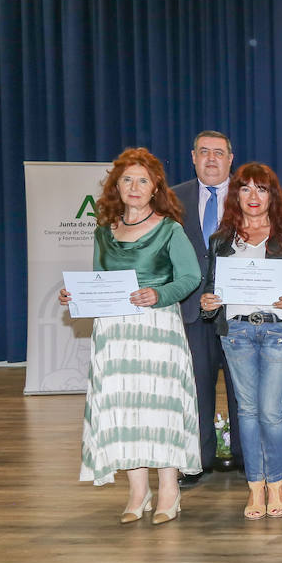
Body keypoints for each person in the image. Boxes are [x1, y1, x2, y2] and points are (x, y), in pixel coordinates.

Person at [60, 148, 201, 524]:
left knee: (161, 406)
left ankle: (169, 489)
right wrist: (75, 296)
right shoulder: (103, 233)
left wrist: (159, 293)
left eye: (142, 180)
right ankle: (138, 490)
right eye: (127, 180)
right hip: (115, 333)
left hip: (157, 329)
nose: (134, 187)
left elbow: (190, 278)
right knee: (125, 407)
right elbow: (99, 284)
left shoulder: (170, 229)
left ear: (155, 187)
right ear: (116, 186)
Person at [199, 163, 282, 520]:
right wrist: (208, 302)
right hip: (236, 332)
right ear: (236, 194)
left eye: (261, 189)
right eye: (246, 189)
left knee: (269, 410)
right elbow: (211, 286)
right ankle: (255, 487)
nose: (253, 197)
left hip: (279, 329)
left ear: (272, 194)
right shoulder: (222, 238)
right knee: (247, 411)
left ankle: (276, 483)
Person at [173, 131, 243, 486]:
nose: (212, 159)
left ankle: (246, 460)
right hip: (190, 310)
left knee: (240, 388)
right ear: (193, 156)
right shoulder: (172, 198)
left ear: (231, 158)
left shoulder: (249, 193)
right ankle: (197, 460)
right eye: (204, 152)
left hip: (239, 310)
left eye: (219, 153)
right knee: (195, 388)